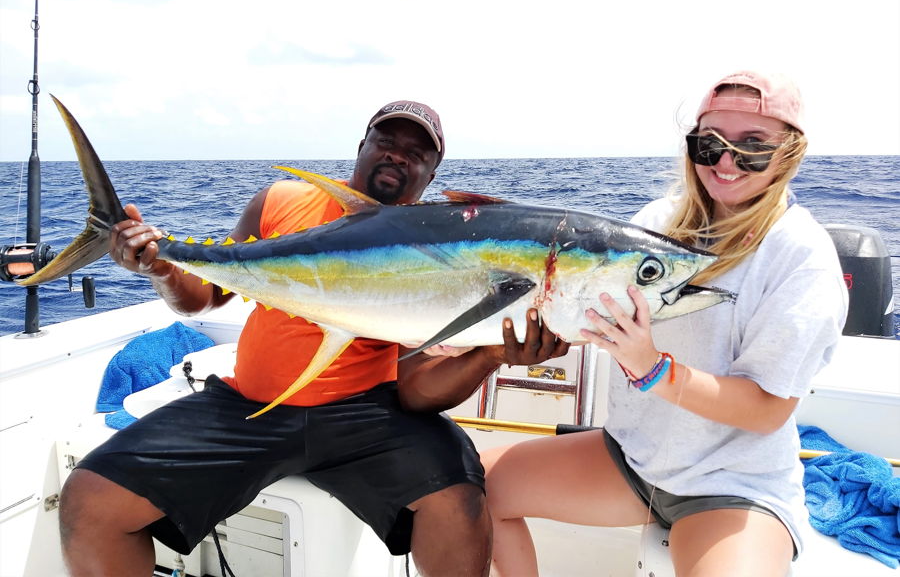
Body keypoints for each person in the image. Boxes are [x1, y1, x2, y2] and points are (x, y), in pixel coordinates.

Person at [58, 100, 570, 577]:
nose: (397, 155)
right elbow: (205, 298)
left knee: (460, 497)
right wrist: (160, 266)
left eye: (416, 153)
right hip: (248, 407)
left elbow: (415, 391)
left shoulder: (440, 246)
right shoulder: (280, 201)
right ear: (362, 147)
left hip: (366, 416)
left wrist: (491, 354)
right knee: (90, 499)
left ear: (430, 175)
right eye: (386, 141)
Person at [483, 71, 848, 576]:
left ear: (789, 152)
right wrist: (478, 342)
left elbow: (767, 411)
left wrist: (653, 369)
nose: (725, 162)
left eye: (752, 146)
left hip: (731, 486)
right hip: (629, 460)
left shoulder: (801, 257)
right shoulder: (658, 223)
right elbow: (590, 314)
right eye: (709, 144)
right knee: (467, 491)